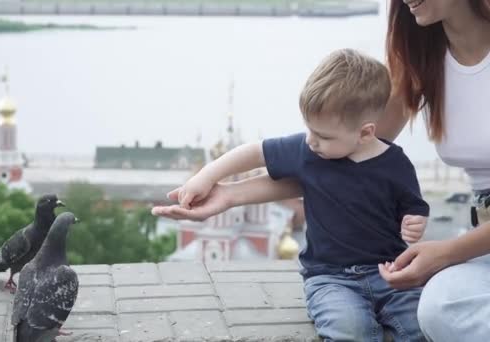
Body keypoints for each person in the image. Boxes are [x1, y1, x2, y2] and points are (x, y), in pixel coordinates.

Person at [153, 1, 490, 340]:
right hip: (472, 240)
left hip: (462, 249)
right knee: (437, 308)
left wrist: (444, 251)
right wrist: (228, 194)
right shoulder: (422, 61)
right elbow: (341, 167)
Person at [162, 48, 430, 341]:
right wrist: (206, 176)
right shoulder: (308, 148)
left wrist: (415, 220)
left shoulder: (396, 163)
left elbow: (412, 205)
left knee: (420, 326)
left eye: (324, 136)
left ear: (365, 133)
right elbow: (255, 151)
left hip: (391, 272)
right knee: (349, 329)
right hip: (332, 279)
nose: (312, 141)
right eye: (309, 129)